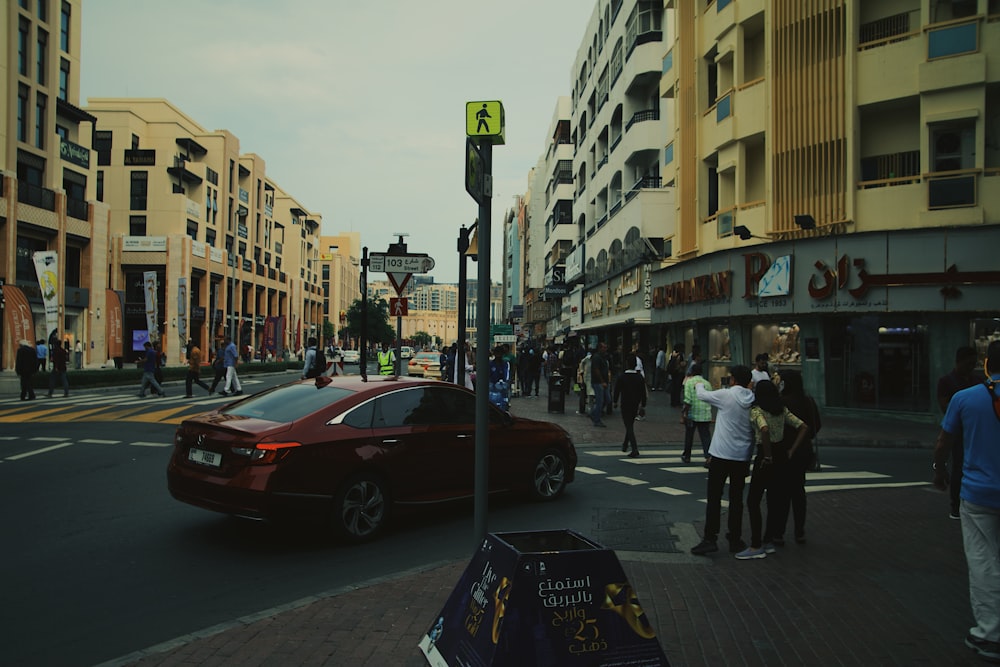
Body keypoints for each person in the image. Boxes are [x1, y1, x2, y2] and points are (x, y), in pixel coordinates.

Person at [933, 339, 1000, 663]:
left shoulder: (966, 398)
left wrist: (939, 471)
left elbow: (943, 442)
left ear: (987, 363)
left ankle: (990, 632)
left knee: (984, 560)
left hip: (978, 493)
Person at [737, 380, 809, 560]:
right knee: (774, 500)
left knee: (753, 500)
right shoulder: (781, 410)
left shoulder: (756, 411)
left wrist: (767, 455)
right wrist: (791, 449)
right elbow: (803, 426)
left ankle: (755, 544)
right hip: (782, 456)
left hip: (765, 455)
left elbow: (764, 429)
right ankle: (768, 540)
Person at [690, 365, 756, 556]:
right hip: (742, 456)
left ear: (733, 379)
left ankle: (710, 538)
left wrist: (698, 383)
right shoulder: (752, 399)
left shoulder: (727, 395)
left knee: (714, 497)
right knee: (736, 499)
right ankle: (734, 538)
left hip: (721, 454)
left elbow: (702, 395)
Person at [771, 370, 822, 545]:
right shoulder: (808, 401)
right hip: (803, 452)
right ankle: (799, 531)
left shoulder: (783, 402)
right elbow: (816, 425)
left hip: (785, 451)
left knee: (783, 494)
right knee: (799, 492)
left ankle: (779, 532)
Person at [937, 346, 980, 519]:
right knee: (959, 466)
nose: (971, 367)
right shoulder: (947, 381)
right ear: (959, 361)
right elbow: (944, 406)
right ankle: (955, 506)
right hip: (957, 430)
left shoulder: (977, 381)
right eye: (968, 363)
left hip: (974, 429)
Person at [612, 354, 647, 458]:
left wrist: (615, 401)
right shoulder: (639, 377)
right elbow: (643, 393)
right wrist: (643, 404)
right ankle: (625, 444)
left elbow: (617, 390)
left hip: (625, 403)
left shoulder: (622, 377)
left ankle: (634, 448)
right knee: (630, 424)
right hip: (635, 403)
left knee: (628, 425)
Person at [681, 362, 713, 465]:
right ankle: (708, 457)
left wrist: (684, 413)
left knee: (689, 435)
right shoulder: (707, 383)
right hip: (705, 413)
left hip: (692, 413)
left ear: (692, 372)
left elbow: (687, 400)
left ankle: (687, 456)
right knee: (705, 436)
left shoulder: (689, 382)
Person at [589, 342, 611, 428]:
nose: (605, 349)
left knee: (607, 399)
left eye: (606, 347)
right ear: (599, 348)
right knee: (599, 401)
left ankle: (593, 413)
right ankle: (597, 420)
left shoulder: (603, 357)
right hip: (598, 382)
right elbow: (596, 370)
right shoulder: (596, 357)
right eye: (604, 348)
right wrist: (602, 381)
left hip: (604, 382)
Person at [488, 346, 511, 410]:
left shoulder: (506, 364)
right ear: (494, 354)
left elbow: (507, 377)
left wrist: (505, 384)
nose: (498, 355)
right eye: (497, 353)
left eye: (500, 353)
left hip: (503, 390)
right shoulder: (490, 364)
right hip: (492, 390)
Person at [577, 346, 593, 416]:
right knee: (589, 395)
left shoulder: (585, 359)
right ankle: (591, 411)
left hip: (586, 379)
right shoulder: (587, 359)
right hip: (587, 379)